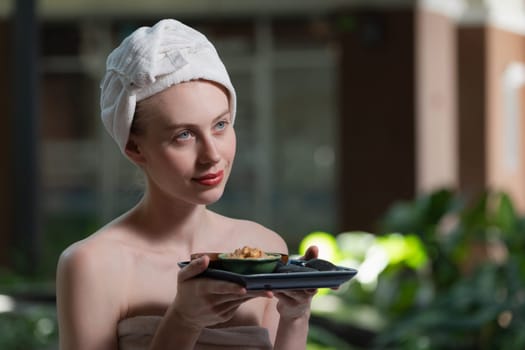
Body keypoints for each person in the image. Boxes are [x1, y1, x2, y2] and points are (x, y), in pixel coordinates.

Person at [56, 18, 318, 350]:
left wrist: (296, 316)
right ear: (134, 148)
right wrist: (183, 321)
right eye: (184, 135)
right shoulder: (91, 264)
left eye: (221, 125)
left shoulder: (264, 246)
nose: (212, 155)